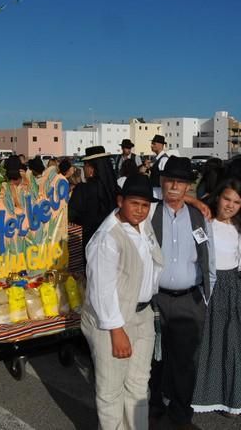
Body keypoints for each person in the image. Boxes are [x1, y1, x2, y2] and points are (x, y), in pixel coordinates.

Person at [82, 174, 162, 430]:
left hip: (143, 314)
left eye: (145, 205)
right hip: (113, 320)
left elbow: (172, 200)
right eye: (134, 203)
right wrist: (117, 331)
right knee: (111, 390)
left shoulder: (142, 221)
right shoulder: (107, 237)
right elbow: (100, 290)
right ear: (120, 201)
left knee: (139, 384)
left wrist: (198, 203)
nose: (140, 210)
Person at [148, 156, 215, 429]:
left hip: (190, 300)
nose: (175, 185)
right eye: (170, 180)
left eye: (181, 181)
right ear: (162, 182)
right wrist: (192, 199)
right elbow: (127, 188)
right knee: (153, 359)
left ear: (189, 184)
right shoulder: (150, 209)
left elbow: (209, 259)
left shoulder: (200, 216)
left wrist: (205, 300)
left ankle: (181, 412)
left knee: (186, 362)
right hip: (155, 299)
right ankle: (153, 407)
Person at [192, 178, 241, 415]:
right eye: (227, 198)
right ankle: (202, 395)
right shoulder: (203, 221)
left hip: (230, 288)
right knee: (205, 343)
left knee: (231, 343)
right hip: (205, 285)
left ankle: (232, 398)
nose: (230, 205)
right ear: (217, 197)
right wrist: (197, 202)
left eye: (237, 202)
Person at [69, 146, 117, 251]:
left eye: (85, 165)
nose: (84, 169)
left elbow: (72, 215)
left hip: (91, 239)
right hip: (115, 241)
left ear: (91, 168)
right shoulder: (117, 189)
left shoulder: (83, 190)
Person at [149, 135, 169, 199]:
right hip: (155, 191)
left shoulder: (164, 159)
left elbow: (164, 179)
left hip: (159, 193)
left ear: (160, 145)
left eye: (154, 144)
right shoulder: (157, 158)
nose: (151, 146)